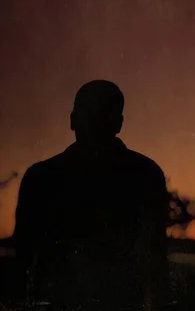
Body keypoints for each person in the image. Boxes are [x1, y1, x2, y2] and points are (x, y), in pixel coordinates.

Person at [14, 80, 170, 310]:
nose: (95, 124)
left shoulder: (41, 177)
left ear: (72, 119)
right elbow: (157, 261)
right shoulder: (147, 175)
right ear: (119, 123)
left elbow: (25, 257)